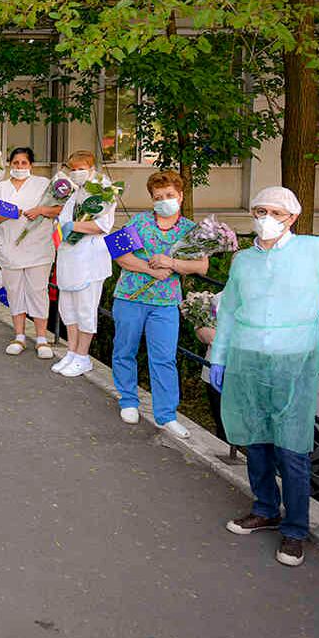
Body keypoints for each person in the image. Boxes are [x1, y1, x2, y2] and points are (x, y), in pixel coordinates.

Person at [209, 186, 319, 567]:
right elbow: (228, 309)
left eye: (275, 212)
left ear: (291, 217)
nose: (265, 218)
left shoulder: (315, 251)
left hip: (294, 358)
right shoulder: (243, 261)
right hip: (247, 357)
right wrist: (220, 355)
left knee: (292, 445)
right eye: (259, 210)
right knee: (254, 437)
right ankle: (265, 508)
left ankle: (295, 530)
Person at [110, 169, 208, 438]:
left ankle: (166, 415)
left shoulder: (190, 230)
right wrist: (150, 269)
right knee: (124, 349)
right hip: (130, 297)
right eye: (158, 196)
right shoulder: (139, 222)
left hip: (165, 303)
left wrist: (172, 263)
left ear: (180, 195)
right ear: (152, 199)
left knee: (164, 358)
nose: (164, 199)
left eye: (169, 195)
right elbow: (120, 254)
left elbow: (202, 265)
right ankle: (128, 400)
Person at [0, 147, 60, 360]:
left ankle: (42, 338)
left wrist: (41, 211)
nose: (19, 167)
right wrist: (6, 215)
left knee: (38, 291)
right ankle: (19, 336)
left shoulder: (44, 185)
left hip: (39, 248)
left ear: (31, 165)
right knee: (15, 291)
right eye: (15, 163)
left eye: (23, 163)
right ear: (10, 164)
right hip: (10, 249)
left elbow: (59, 209)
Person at [52, 151, 115, 378]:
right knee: (68, 308)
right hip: (68, 257)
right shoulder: (75, 193)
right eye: (73, 168)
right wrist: (61, 231)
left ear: (92, 168)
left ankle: (83, 355)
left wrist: (74, 228)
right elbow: (63, 219)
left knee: (85, 308)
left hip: (89, 260)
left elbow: (102, 225)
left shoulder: (103, 192)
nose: (76, 172)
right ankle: (72, 351)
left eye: (81, 168)